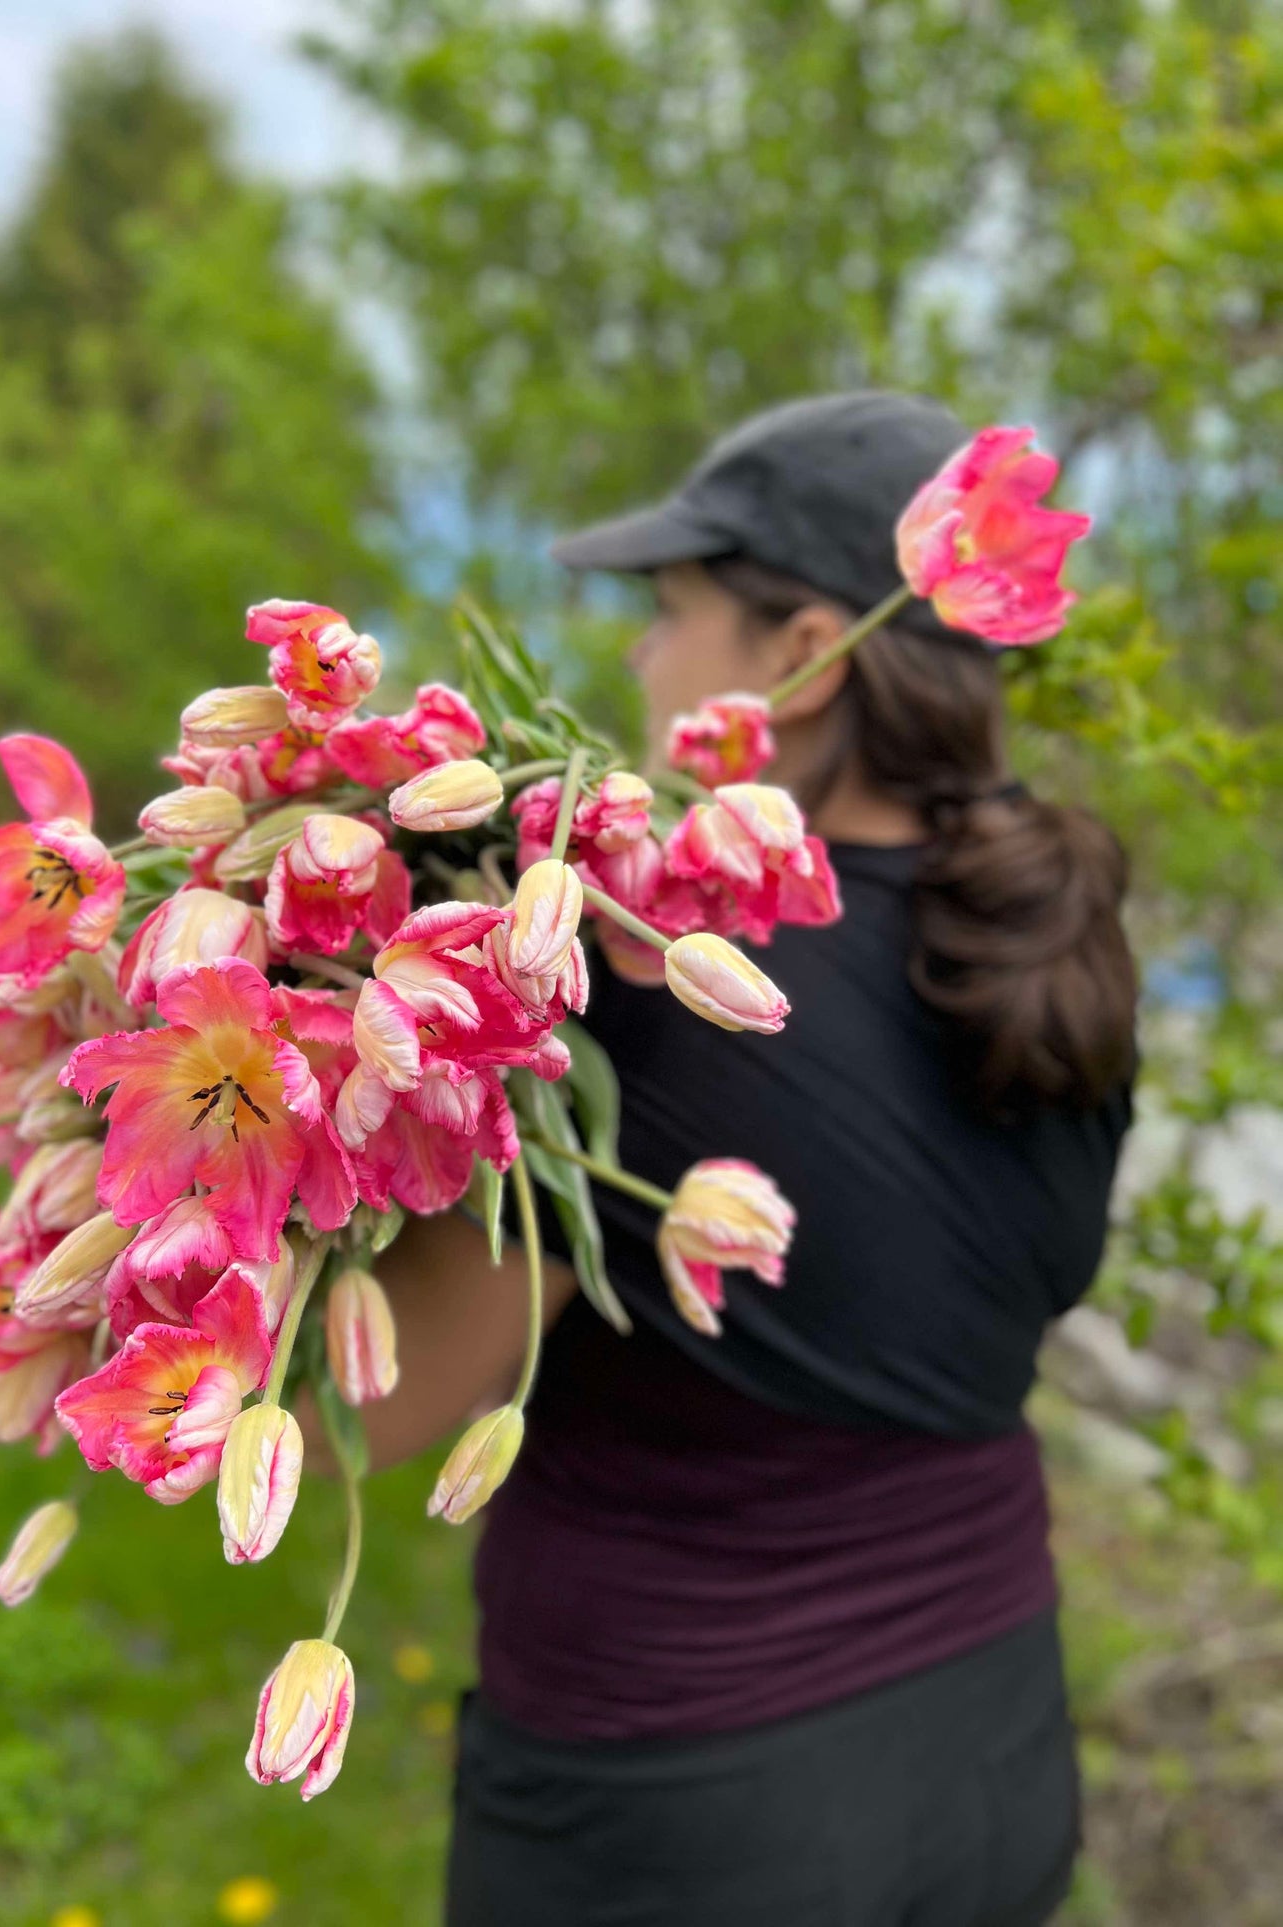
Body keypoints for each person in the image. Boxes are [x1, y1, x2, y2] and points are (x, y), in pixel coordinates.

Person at [331, 392, 1137, 1926]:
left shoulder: (642, 977)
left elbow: (373, 1410)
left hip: (693, 1813)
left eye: (668, 609)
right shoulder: (1050, 946)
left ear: (803, 652)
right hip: (995, 1752)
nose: (640, 656)